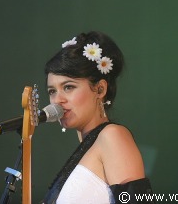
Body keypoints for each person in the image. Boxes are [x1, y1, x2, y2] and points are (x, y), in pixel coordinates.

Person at [42, 31, 155, 204]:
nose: (57, 100)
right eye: (52, 91)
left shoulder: (112, 136)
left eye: (69, 87)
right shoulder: (87, 147)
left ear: (100, 90)